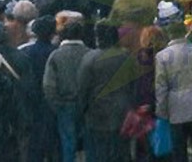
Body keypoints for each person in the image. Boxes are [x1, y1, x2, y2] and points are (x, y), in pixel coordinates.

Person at [154, 7, 192, 162]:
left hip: (177, 109)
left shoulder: (162, 56)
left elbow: (161, 87)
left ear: (169, 33)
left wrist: (161, 112)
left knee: (179, 152)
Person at [77, 22, 134, 161]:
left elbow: (83, 89)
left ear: (98, 37)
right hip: (123, 113)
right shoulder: (126, 57)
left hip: (97, 114)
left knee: (101, 152)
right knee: (122, 151)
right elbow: (133, 85)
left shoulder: (89, 59)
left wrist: (82, 110)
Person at [43, 18, 89, 162]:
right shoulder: (90, 54)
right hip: (88, 105)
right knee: (89, 143)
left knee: (68, 143)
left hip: (65, 105)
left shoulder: (56, 55)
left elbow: (48, 85)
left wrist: (57, 105)